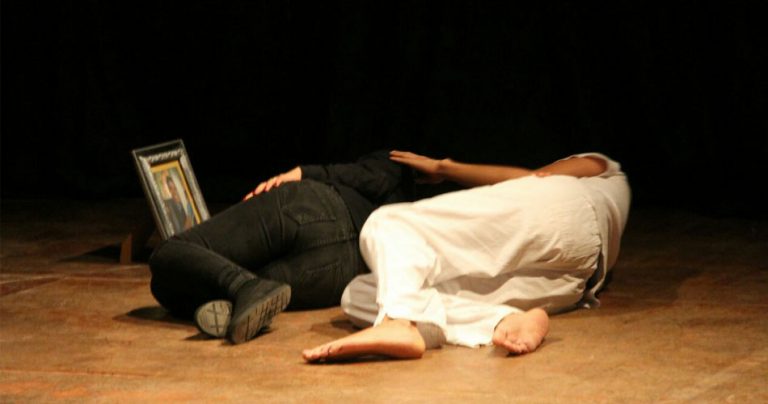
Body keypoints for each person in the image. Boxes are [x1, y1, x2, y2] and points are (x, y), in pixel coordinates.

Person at [302, 150, 631, 362]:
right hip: (576, 282)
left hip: (567, 210)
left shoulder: (603, 164)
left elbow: (538, 177)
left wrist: (445, 167)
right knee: (358, 293)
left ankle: (397, 321)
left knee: (389, 223)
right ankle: (504, 320)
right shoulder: (615, 195)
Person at [148, 150, 415, 344]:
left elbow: (373, 177)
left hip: (315, 208)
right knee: (171, 287)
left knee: (169, 253)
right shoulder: (435, 213)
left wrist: (301, 173)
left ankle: (242, 286)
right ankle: (242, 293)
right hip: (343, 270)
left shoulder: (411, 165)